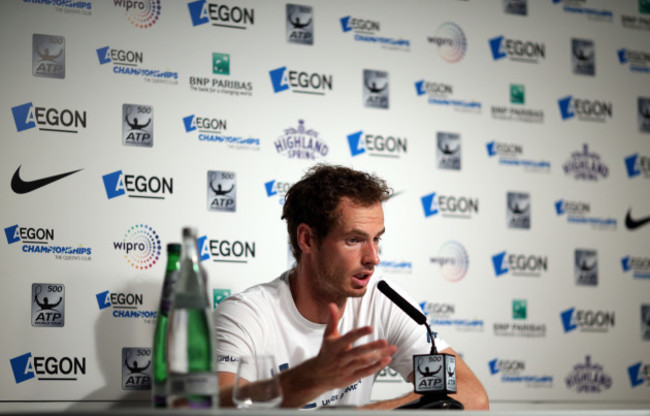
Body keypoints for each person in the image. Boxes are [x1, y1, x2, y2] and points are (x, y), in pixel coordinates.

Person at [214, 164, 489, 409]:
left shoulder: (383, 299)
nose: (373, 258)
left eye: (376, 239)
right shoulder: (246, 314)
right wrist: (306, 380)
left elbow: (473, 397)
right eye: (354, 240)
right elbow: (210, 407)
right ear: (307, 240)